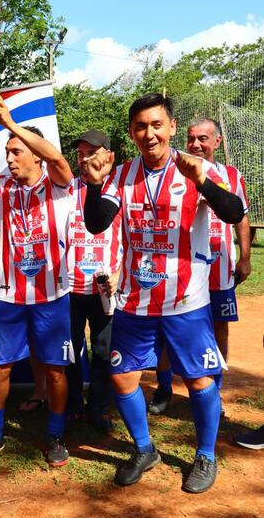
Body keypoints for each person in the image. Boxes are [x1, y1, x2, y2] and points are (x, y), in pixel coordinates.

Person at [83, 93, 245, 493]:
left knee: (198, 381)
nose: (149, 133)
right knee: (123, 378)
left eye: (157, 125)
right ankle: (144, 449)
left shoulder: (197, 168)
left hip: (186, 301)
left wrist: (202, 180)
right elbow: (97, 223)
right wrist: (93, 184)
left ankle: (205, 455)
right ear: (131, 133)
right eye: (140, 127)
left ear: (172, 127)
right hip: (135, 300)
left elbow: (235, 212)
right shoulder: (121, 176)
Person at [0, 92, 75, 467]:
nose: (9, 158)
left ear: (35, 154)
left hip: (51, 294)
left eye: (16, 152)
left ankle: (55, 435)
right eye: (7, 152)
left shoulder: (58, 186)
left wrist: (9, 122)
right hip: (8, 296)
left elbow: (58, 159)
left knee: (54, 370)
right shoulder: (3, 188)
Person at [149, 118, 251, 416]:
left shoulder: (231, 176)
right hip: (182, 267)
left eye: (203, 138)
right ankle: (164, 387)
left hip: (219, 268)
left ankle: (213, 392)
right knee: (167, 329)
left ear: (217, 142)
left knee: (220, 329)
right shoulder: (172, 170)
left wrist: (244, 257)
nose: (195, 144)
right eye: (192, 138)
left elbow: (241, 215)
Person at [65, 130, 123, 434]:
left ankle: (98, 408)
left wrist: (119, 274)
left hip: (105, 290)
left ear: (110, 156)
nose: (85, 158)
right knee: (71, 352)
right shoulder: (65, 190)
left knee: (103, 351)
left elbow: (134, 240)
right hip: (70, 289)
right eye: (81, 153)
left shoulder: (121, 191)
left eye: (93, 152)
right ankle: (73, 405)